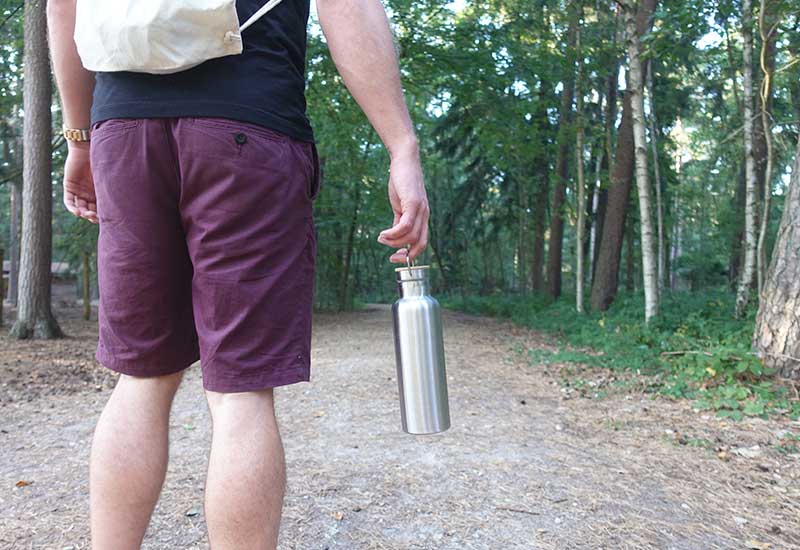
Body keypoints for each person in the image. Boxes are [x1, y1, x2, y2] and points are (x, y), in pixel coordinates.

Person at [47, 0, 430, 548]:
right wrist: (401, 145)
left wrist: (79, 136)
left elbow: (65, 6)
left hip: (124, 129)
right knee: (240, 392)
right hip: (247, 127)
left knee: (140, 380)